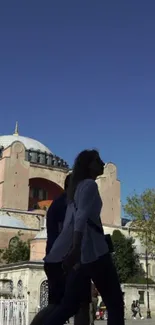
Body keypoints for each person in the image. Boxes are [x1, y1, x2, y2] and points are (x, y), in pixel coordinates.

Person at [44, 149, 124, 325]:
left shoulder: (76, 189)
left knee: (69, 305)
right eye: (98, 161)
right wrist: (76, 248)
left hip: (82, 256)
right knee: (115, 302)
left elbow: (70, 223)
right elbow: (80, 218)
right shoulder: (89, 185)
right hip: (95, 252)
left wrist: (70, 251)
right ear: (88, 165)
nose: (103, 164)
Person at [30, 173, 90, 325]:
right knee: (76, 305)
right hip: (65, 261)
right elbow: (66, 233)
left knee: (57, 304)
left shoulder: (59, 204)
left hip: (56, 260)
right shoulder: (66, 205)